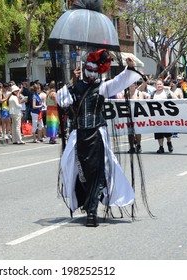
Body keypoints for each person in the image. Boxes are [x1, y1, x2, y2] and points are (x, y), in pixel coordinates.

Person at [56, 49, 143, 227]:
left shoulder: (103, 87)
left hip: (97, 133)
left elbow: (120, 81)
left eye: (95, 71)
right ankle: (87, 205)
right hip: (79, 135)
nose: (91, 74)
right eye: (88, 69)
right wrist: (72, 81)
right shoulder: (74, 87)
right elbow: (60, 99)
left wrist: (130, 67)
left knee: (98, 171)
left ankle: (92, 211)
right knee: (77, 171)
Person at [151, 79, 178, 154]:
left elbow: (176, 99)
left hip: (167, 116)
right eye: (157, 84)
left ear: (163, 84)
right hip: (156, 117)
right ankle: (161, 147)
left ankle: (169, 142)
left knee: (167, 132)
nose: (159, 86)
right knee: (158, 132)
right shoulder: (153, 94)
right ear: (155, 86)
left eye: (160, 84)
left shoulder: (168, 92)